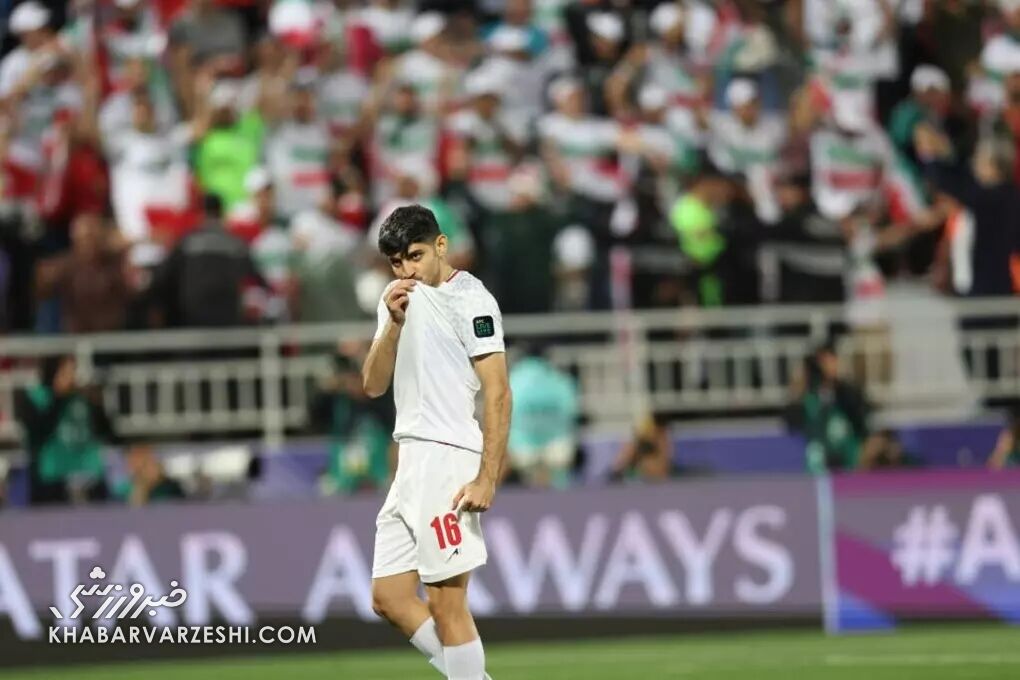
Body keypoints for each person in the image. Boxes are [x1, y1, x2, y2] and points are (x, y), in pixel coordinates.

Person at [362, 204, 509, 680]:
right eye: (397, 262)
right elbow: (372, 384)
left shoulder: (471, 300)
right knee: (389, 597)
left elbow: (498, 391)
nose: (407, 270)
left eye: (415, 256)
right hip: (410, 460)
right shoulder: (395, 300)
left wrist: (487, 477)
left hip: (447, 458)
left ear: (441, 246)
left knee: (447, 604)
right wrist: (393, 323)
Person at [15, 355, 117, 505]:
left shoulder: (84, 397)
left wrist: (97, 404)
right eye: (65, 372)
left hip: (88, 475)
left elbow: (108, 433)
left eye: (73, 371)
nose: (71, 376)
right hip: (51, 478)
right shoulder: (36, 396)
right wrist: (58, 396)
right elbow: (38, 432)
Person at [784, 342, 871, 474]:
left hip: (848, 463)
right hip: (818, 467)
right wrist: (798, 389)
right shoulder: (807, 396)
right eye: (823, 362)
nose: (829, 366)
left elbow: (862, 422)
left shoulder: (848, 392)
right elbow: (791, 423)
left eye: (831, 360)